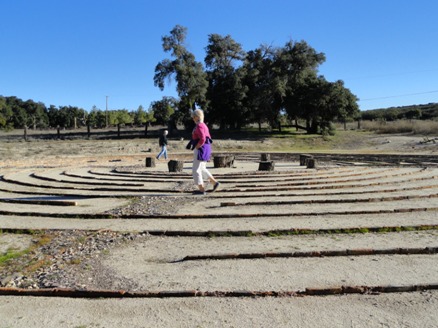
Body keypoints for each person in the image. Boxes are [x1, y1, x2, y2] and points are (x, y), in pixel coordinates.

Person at [190, 109, 220, 195]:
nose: (192, 119)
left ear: (196, 117)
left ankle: (201, 190)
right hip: (206, 148)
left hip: (201, 149)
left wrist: (197, 146)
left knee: (196, 170)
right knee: (202, 168)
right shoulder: (204, 125)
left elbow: (202, 138)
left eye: (193, 117)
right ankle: (214, 183)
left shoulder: (199, 126)